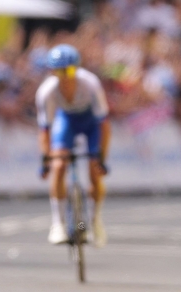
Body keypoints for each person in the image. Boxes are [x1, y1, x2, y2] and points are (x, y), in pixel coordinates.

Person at [36, 44, 110, 248]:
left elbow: (104, 125)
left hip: (90, 123)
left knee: (94, 171)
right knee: (59, 166)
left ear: (77, 69)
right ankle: (58, 223)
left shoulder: (91, 84)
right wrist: (46, 160)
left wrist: (101, 158)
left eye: (69, 70)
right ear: (52, 72)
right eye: (59, 71)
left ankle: (95, 221)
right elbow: (45, 130)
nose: (65, 77)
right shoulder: (46, 92)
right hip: (66, 121)